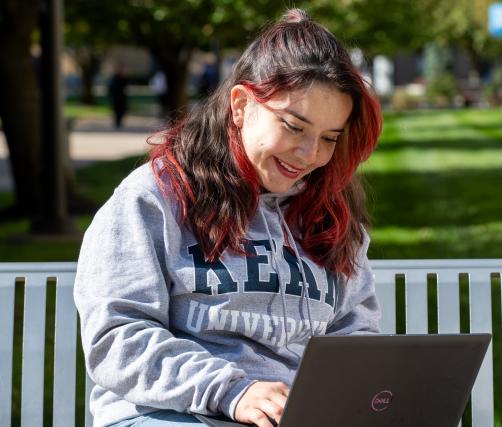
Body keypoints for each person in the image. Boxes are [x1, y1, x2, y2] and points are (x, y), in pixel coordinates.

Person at [74, 8, 382, 427]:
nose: (310, 155)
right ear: (241, 106)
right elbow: (117, 339)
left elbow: (353, 335)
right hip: (171, 413)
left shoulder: (329, 215)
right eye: (293, 127)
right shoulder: (152, 199)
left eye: (329, 138)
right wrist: (232, 391)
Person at [108, 64, 128, 129]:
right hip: (116, 97)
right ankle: (117, 122)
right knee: (116, 110)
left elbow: (125, 87)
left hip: (122, 97)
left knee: (121, 110)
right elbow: (111, 87)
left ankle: (119, 122)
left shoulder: (124, 78)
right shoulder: (114, 78)